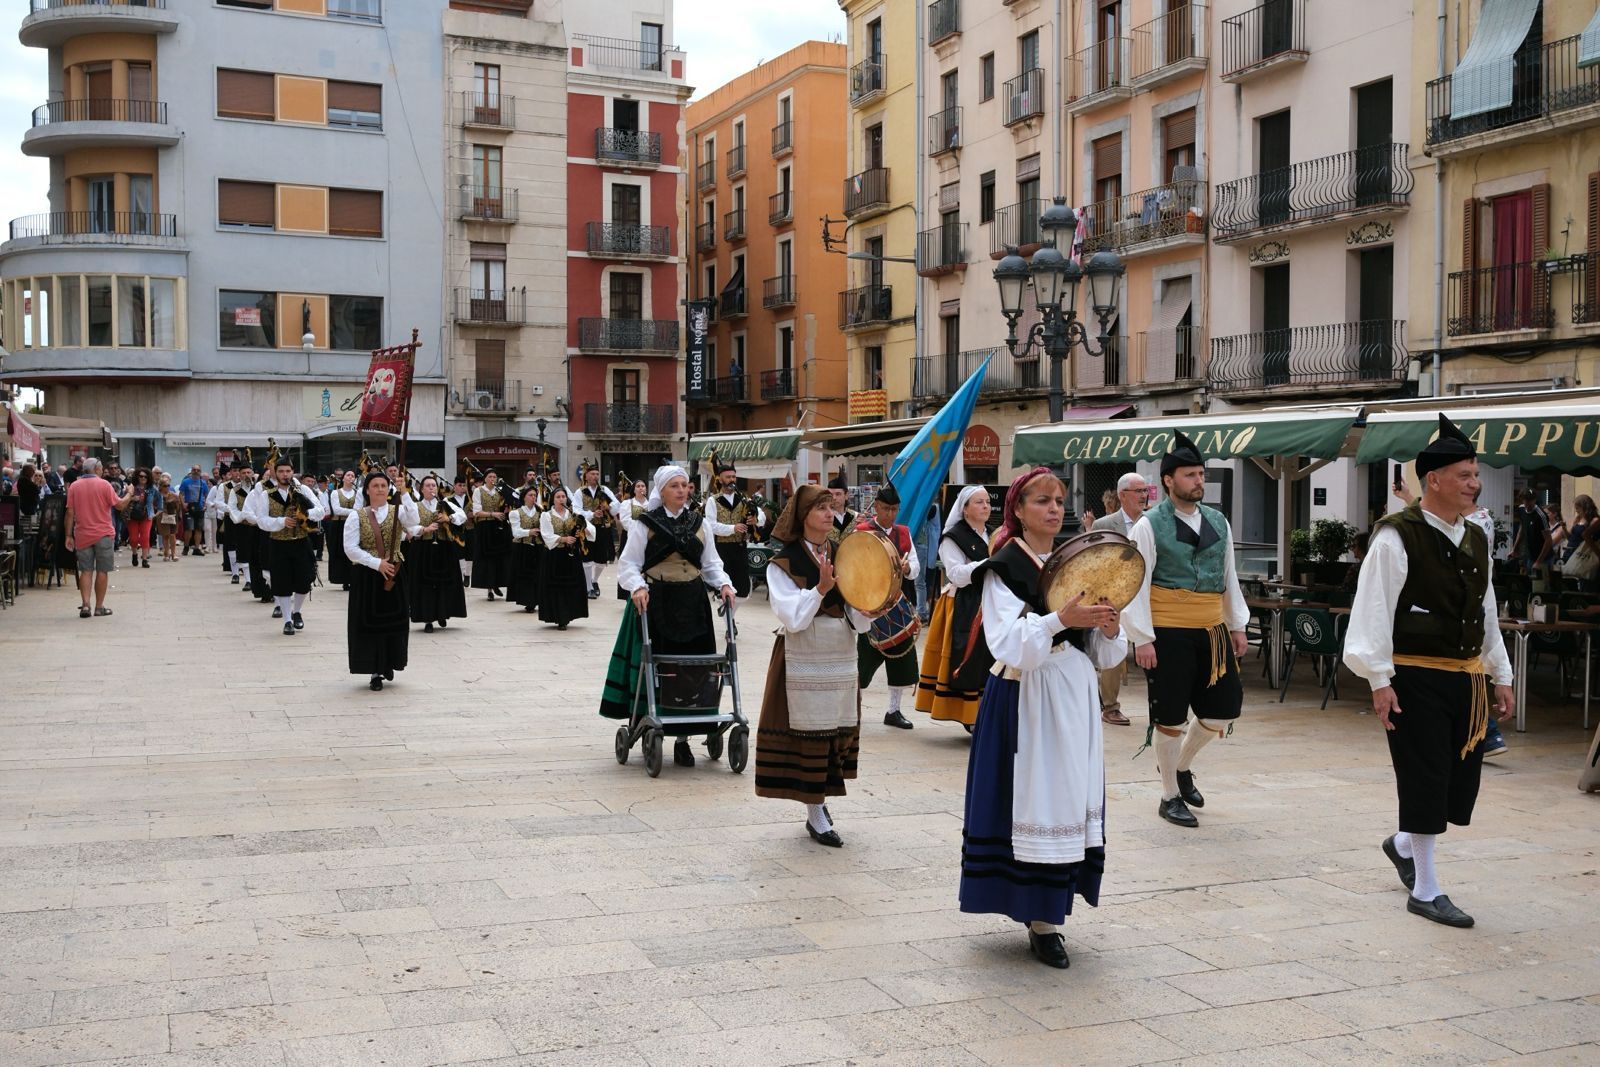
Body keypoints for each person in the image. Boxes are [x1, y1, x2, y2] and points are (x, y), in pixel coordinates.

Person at [1343, 414, 1515, 929]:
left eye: (1476, 474)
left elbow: (1485, 609)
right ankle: (1426, 889)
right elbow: (1372, 611)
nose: (1475, 483)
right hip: (1413, 677)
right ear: (1432, 480)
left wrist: (1500, 673)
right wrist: (1379, 680)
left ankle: (1401, 845)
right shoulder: (1396, 537)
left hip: (1467, 677)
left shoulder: (1476, 537)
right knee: (1425, 777)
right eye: (1465, 475)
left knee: (1458, 783)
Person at [958, 467, 1124, 969]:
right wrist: (1058, 620)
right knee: (1036, 799)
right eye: (1041, 500)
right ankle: (1041, 919)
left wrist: (1107, 627)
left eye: (1058, 500)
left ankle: (1051, 910)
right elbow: (1007, 644)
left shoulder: (1075, 561)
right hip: (1025, 696)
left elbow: (1103, 652)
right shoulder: (1003, 566)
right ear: (1018, 510)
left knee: (1067, 798)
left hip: (1072, 692)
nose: (1054, 508)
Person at [1122, 430, 1250, 828]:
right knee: (1170, 716)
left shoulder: (1218, 521)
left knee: (1223, 709)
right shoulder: (1148, 526)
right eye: (1190, 475)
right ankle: (1169, 796)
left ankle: (1180, 766)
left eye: (1201, 474)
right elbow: (1135, 583)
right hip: (1168, 629)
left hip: (1212, 628)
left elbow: (1228, 575)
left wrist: (1237, 624)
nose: (1199, 481)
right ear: (1168, 480)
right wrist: (1142, 637)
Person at [753, 484, 875, 843]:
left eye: (830, 506)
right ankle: (815, 810)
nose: (829, 513)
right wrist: (820, 589)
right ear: (803, 516)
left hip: (840, 651)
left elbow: (855, 610)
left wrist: (871, 607)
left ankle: (819, 802)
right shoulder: (783, 562)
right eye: (821, 507)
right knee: (811, 732)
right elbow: (792, 618)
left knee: (835, 729)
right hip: (803, 654)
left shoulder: (844, 553)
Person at [600, 466, 735, 767]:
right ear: (661, 491)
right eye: (674, 485)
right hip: (658, 602)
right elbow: (628, 564)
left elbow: (711, 563)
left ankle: (683, 739)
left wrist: (725, 584)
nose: (681, 490)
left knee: (693, 669)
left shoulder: (700, 523)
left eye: (684, 485)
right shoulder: (645, 523)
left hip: (693, 603)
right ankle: (653, 722)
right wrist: (637, 587)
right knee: (663, 670)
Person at [916, 485, 991, 729]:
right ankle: (970, 715)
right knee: (969, 658)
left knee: (990, 658)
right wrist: (988, 564)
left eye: (987, 502)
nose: (986, 506)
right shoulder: (953, 537)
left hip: (990, 602)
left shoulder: (992, 534)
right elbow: (956, 575)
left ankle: (987, 713)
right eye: (979, 502)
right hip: (964, 604)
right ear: (964, 509)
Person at [854, 482, 920, 730]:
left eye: (894, 509)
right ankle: (853, 707)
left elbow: (916, 567)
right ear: (877, 507)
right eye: (886, 509)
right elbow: (853, 566)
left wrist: (908, 567)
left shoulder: (903, 533)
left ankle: (894, 710)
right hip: (870, 606)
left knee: (901, 663)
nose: (890, 514)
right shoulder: (862, 531)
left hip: (897, 606)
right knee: (863, 660)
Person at [1091, 471, 1150, 727]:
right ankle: (1110, 707)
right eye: (1139, 491)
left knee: (1153, 649)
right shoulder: (1103, 525)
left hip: (1146, 596)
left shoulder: (1154, 523)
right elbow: (1094, 561)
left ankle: (1161, 706)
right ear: (1123, 495)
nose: (1144, 495)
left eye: (1145, 491)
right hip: (1114, 597)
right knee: (1113, 651)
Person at [343, 471, 410, 691]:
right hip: (367, 576)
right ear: (367, 490)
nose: (380, 489)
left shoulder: (399, 511)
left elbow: (414, 522)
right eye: (375, 485)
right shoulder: (356, 516)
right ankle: (374, 669)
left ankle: (389, 662)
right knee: (370, 623)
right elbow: (350, 549)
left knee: (394, 621)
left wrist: (405, 493)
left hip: (394, 574)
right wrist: (376, 563)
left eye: (383, 485)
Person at [249, 459, 327, 636]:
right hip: (278, 543)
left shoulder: (303, 490)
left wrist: (305, 514)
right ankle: (287, 620)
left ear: (293, 472)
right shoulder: (266, 494)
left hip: (301, 541)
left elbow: (321, 510)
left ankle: (296, 611)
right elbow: (261, 521)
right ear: (275, 473)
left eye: (288, 471)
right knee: (281, 582)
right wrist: (281, 521)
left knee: (304, 581)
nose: (285, 474)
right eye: (281, 471)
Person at [64, 457, 133, 618]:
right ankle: (99, 607)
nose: (103, 471)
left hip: (82, 534)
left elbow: (69, 513)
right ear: (96, 469)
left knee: (86, 570)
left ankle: (85, 605)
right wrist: (129, 493)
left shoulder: (75, 486)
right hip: (103, 533)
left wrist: (68, 535)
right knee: (102, 570)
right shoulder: (104, 485)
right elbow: (120, 505)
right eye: (101, 468)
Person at [407, 474, 467, 633]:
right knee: (425, 584)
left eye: (433, 485)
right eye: (428, 485)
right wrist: (424, 529)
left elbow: (462, 516)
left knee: (443, 582)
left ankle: (442, 613)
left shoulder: (444, 503)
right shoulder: (416, 506)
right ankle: (428, 618)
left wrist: (448, 518)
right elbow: (409, 527)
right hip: (423, 548)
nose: (431, 488)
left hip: (444, 547)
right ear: (421, 489)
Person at [708, 458, 763, 598]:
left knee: (742, 590)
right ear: (720, 479)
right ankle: (727, 611)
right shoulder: (713, 500)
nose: (732, 480)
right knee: (723, 588)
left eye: (733, 476)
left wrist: (756, 520)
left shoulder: (744, 499)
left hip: (740, 548)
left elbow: (761, 517)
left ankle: (731, 611)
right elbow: (711, 526)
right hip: (722, 549)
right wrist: (733, 528)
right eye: (728, 477)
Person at [538, 487, 591, 631]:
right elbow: (546, 535)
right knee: (556, 586)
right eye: (558, 497)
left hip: (571, 555)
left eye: (563, 497)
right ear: (553, 500)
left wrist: (581, 531)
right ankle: (559, 616)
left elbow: (588, 530)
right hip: (554, 555)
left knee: (570, 585)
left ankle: (568, 615)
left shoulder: (573, 514)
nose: (561, 499)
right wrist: (564, 539)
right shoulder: (546, 515)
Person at [576, 464, 620, 600]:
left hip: (602, 528)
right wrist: (591, 514)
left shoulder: (604, 490)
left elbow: (616, 506)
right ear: (586, 476)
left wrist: (608, 506)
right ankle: (589, 587)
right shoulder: (580, 492)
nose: (595, 476)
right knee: (587, 558)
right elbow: (576, 510)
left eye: (597, 474)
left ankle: (594, 580)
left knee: (601, 560)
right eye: (592, 474)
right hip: (587, 528)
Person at [470, 470, 512, 600]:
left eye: (494, 476)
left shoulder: (499, 491)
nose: (493, 479)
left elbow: (507, 504)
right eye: (490, 476)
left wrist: (506, 509)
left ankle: (496, 583)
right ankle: (489, 588)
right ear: (485, 479)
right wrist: (493, 514)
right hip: (485, 527)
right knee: (487, 558)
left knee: (499, 557)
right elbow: (477, 512)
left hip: (498, 527)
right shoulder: (478, 491)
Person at [508, 486, 543, 614]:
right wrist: (529, 532)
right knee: (524, 575)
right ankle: (528, 601)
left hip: (537, 547)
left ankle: (537, 599)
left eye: (535, 495)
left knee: (537, 574)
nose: (533, 498)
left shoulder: (540, 512)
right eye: (530, 495)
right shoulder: (515, 513)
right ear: (524, 497)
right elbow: (516, 532)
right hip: (522, 547)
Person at [326, 470, 359, 590]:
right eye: (348, 475)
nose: (350, 477)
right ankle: (342, 578)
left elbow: (360, 508)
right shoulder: (336, 493)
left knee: (353, 549)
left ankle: (352, 578)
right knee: (339, 550)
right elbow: (337, 510)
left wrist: (354, 512)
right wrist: (354, 512)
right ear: (343, 478)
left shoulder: (357, 493)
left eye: (352, 475)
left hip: (353, 524)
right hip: (339, 524)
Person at [1509, 488, 1550, 578]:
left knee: (1540, 583)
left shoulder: (1541, 515)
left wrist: (1539, 561)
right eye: (1525, 500)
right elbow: (1522, 529)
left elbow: (1548, 540)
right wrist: (1514, 549)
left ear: (1534, 500)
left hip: (1543, 557)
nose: (1527, 503)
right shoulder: (1521, 509)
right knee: (1528, 581)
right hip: (1530, 555)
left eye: (1530, 500)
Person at [913, 501, 940, 624]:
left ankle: (921, 612)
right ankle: (921, 611)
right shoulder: (932, 507)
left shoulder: (931, 507)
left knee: (920, 582)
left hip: (921, 546)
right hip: (922, 546)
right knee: (920, 582)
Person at [124, 468, 157, 569]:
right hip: (133, 515)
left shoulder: (152, 489)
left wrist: (156, 512)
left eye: (145, 477)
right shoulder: (131, 488)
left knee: (145, 537)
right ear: (137, 477)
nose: (143, 478)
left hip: (146, 515)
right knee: (133, 538)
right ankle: (134, 554)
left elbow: (160, 500)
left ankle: (145, 559)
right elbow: (122, 499)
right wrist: (132, 498)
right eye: (141, 476)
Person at [177, 465, 209, 556]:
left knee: (199, 529)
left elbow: (207, 495)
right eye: (194, 470)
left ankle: (196, 548)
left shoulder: (203, 483)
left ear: (200, 472)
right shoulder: (186, 482)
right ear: (191, 471)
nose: (196, 471)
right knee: (188, 529)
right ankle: (186, 547)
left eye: (198, 470)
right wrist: (183, 504)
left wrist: (205, 505)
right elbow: (181, 494)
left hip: (200, 508)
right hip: (189, 508)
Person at [826, 473, 857, 546]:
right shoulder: (823, 516)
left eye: (838, 494)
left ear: (846, 495)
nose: (834, 498)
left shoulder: (855, 517)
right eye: (831, 494)